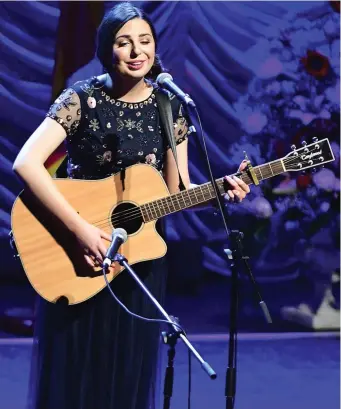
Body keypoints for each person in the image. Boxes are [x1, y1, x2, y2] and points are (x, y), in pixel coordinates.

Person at [13, 3, 250, 409]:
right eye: (125, 43)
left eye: (145, 41)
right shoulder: (81, 99)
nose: (137, 51)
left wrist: (219, 192)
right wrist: (81, 230)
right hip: (80, 252)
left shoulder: (169, 106)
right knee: (76, 374)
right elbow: (26, 162)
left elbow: (175, 194)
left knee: (125, 374)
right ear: (108, 49)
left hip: (138, 262)